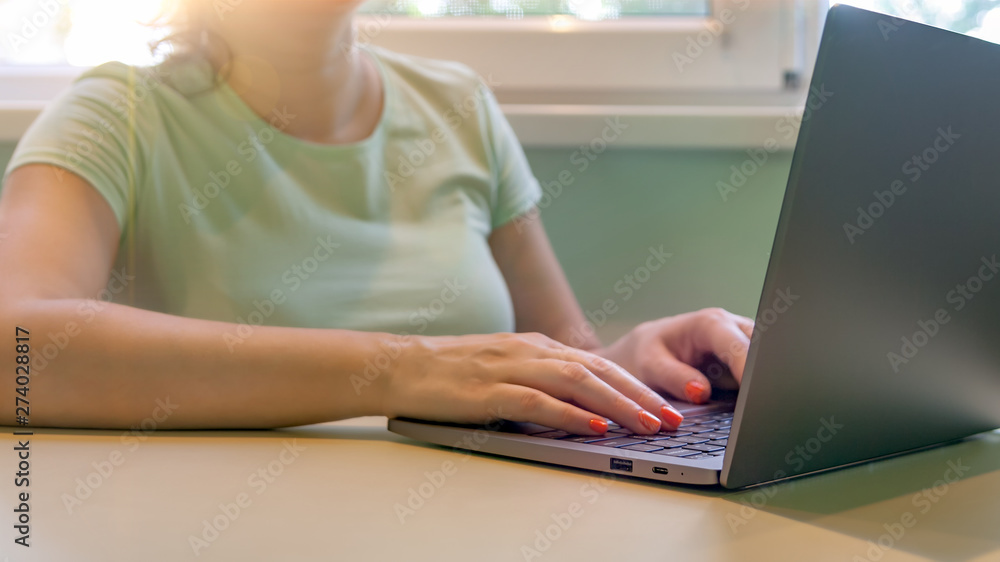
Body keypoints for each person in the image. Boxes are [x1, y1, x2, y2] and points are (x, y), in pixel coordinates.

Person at [0, 0, 753, 435]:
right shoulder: (119, 115)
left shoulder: (457, 104)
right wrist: (402, 369)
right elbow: (15, 348)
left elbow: (557, 352)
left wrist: (636, 364)